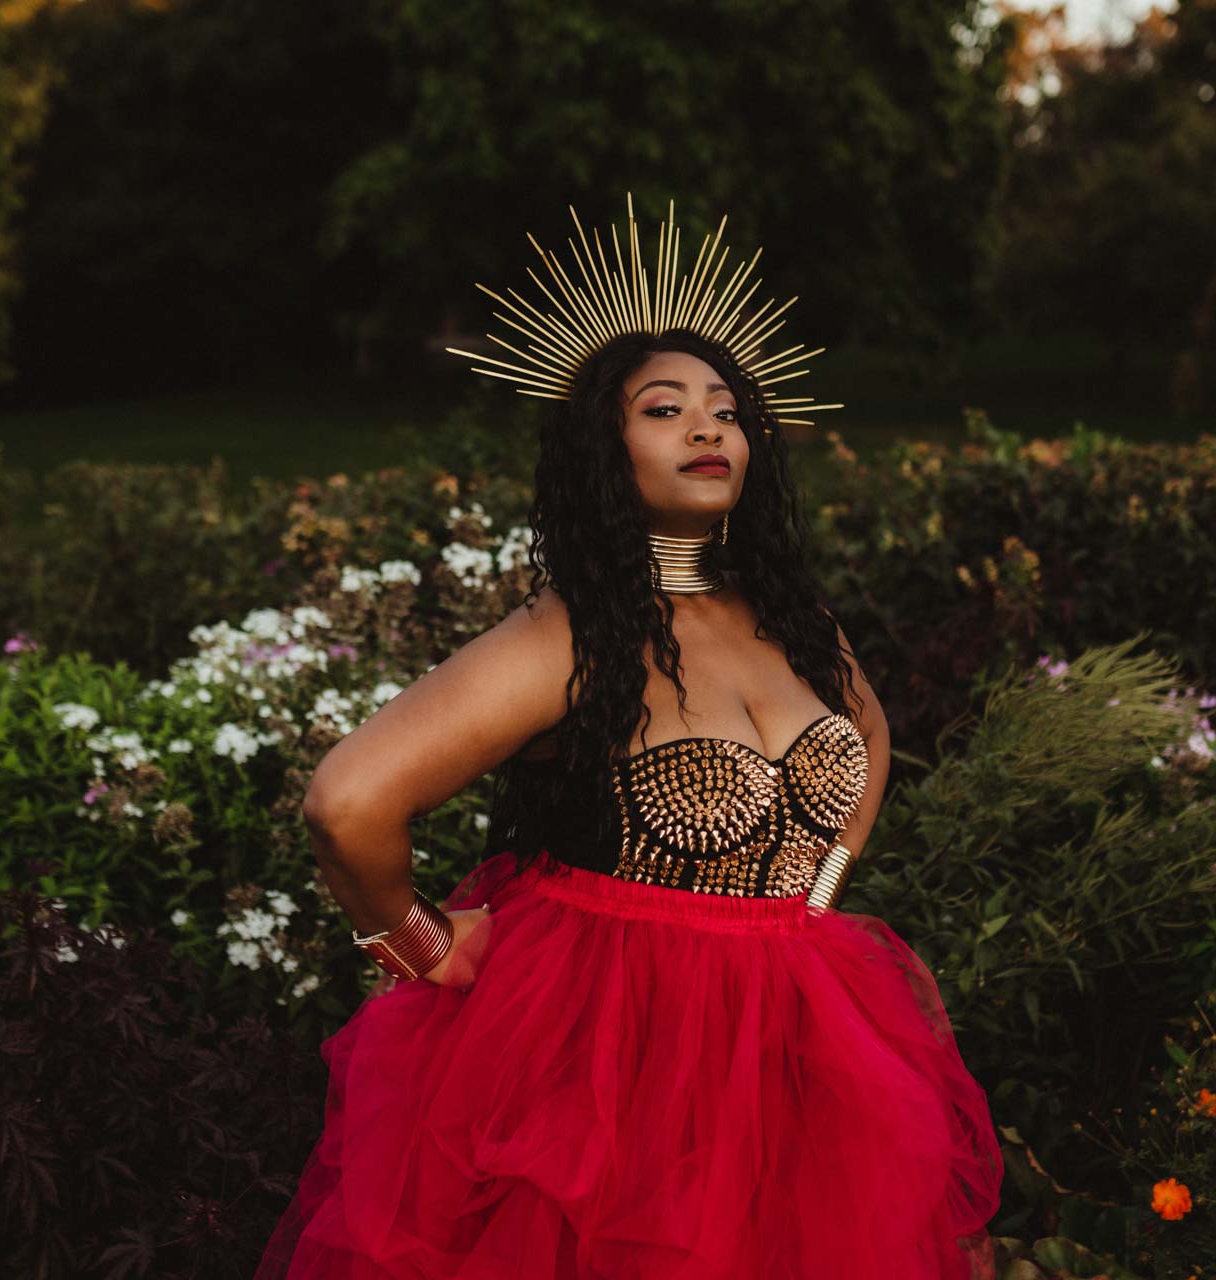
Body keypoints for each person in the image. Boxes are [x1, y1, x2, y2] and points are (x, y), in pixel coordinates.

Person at [254, 197, 1004, 1279]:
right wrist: (425, 943)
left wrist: (823, 891)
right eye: (667, 408)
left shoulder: (790, 614)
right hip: (615, 1057)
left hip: (799, 1039)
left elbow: (871, 740)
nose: (709, 427)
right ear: (605, 449)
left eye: (726, 409)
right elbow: (348, 799)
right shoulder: (566, 637)